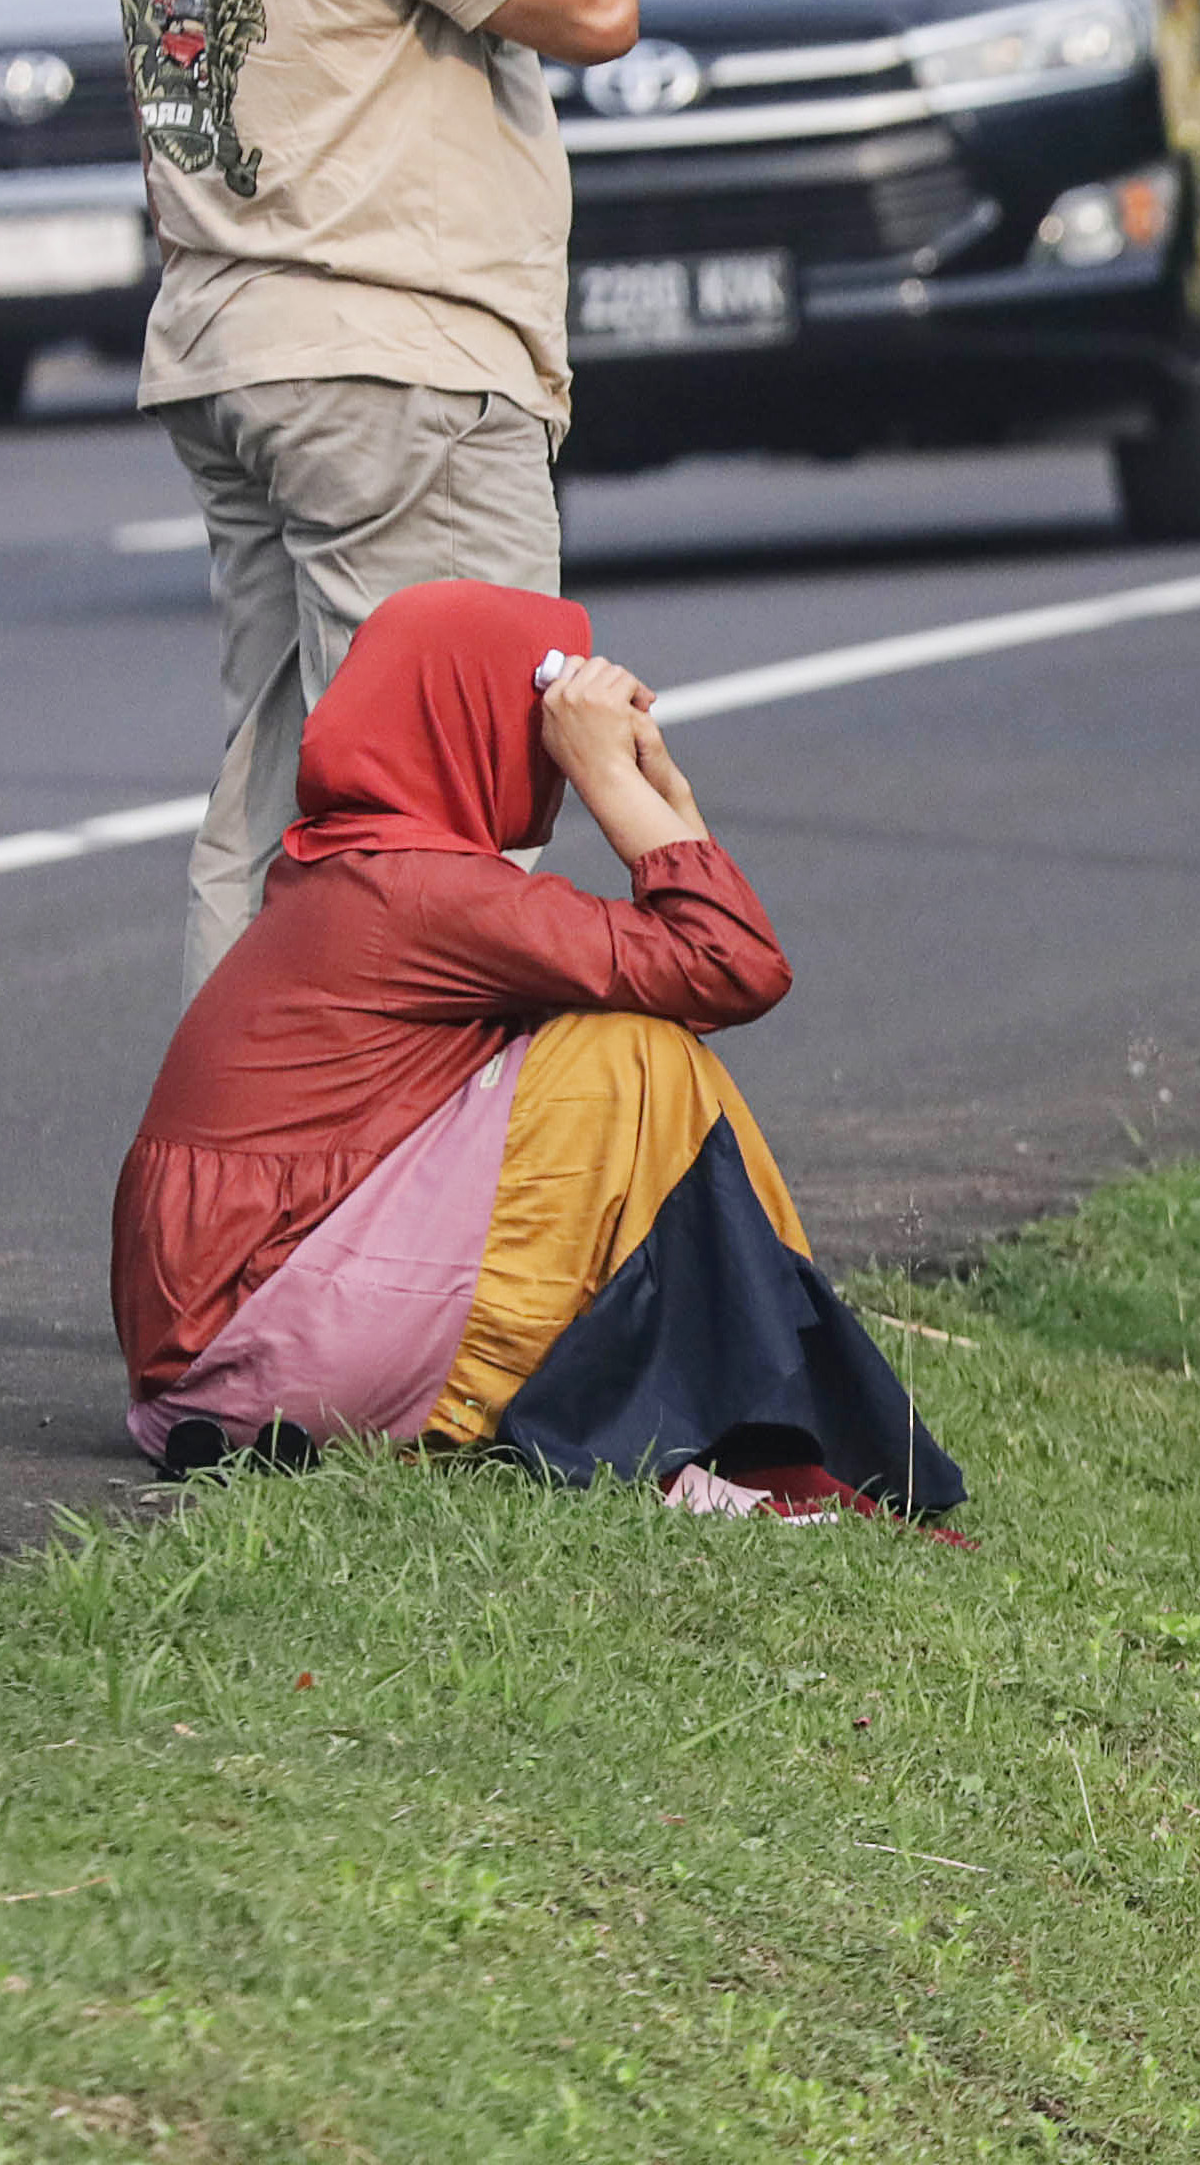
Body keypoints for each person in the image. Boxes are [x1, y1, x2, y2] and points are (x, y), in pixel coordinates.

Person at [116, 0, 642, 991]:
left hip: (233, 344)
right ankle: (386, 1143)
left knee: (274, 809)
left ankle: (232, 1135)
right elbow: (595, 3)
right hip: (398, 369)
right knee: (441, 826)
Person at [113, 581, 962, 1520]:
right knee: (625, 1057)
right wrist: (618, 784)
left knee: (620, 1047)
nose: (553, 750)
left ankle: (735, 1406)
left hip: (239, 1348)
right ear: (473, 723)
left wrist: (669, 795)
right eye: (542, 717)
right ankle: (741, 1415)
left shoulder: (362, 866)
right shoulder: (418, 891)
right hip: (264, 1362)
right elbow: (733, 963)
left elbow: (713, 968)